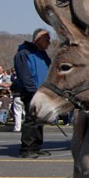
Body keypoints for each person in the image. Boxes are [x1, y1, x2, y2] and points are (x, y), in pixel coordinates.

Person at [13, 29, 52, 157]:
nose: (49, 43)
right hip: (31, 92)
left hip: (42, 92)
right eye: (47, 40)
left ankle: (36, 146)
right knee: (31, 120)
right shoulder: (23, 54)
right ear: (39, 39)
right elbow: (25, 76)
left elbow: (49, 69)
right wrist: (33, 91)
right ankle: (26, 149)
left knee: (38, 119)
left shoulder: (42, 54)